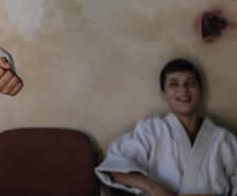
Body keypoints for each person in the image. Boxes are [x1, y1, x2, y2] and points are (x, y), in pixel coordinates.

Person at [95, 59, 237, 196]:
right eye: (173, 84)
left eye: (190, 83)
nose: (183, 90)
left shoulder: (224, 138)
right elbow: (116, 167)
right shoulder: (150, 130)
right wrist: (154, 188)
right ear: (163, 94)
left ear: (200, 90)